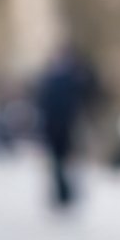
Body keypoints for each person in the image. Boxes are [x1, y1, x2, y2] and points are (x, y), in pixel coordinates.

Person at [34, 43, 100, 208]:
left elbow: (90, 92)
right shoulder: (53, 77)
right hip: (56, 125)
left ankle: (67, 193)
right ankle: (63, 194)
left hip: (68, 125)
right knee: (58, 162)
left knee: (67, 161)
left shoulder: (72, 77)